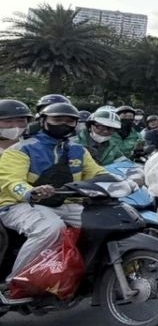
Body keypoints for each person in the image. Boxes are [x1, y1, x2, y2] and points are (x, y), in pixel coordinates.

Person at [0, 102, 105, 304]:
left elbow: (99, 174)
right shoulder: (21, 149)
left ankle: (84, 275)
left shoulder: (79, 150)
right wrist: (31, 192)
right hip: (18, 204)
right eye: (57, 119)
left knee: (101, 221)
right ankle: (14, 283)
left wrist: (128, 179)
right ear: (43, 121)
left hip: (64, 202)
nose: (63, 124)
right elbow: (10, 181)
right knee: (51, 228)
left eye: (69, 120)